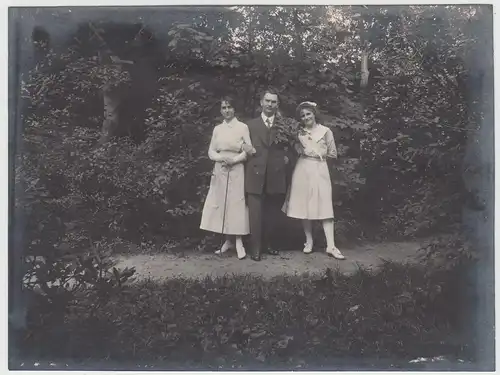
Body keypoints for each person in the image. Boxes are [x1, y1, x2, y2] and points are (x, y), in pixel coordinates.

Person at [282, 101, 346, 260]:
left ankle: (331, 245)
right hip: (303, 168)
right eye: (302, 115)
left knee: (324, 205)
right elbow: (293, 151)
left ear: (314, 113)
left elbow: (332, 153)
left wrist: (320, 158)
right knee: (304, 206)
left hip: (320, 168)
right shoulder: (298, 133)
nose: (306, 117)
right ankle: (308, 241)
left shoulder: (325, 131)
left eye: (308, 114)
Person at [200, 97, 255, 260]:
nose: (226, 110)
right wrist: (221, 159)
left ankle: (239, 242)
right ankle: (227, 241)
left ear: (234, 109)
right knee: (221, 203)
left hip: (237, 168)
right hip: (221, 168)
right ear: (220, 110)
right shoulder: (217, 129)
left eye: (229, 107)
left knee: (236, 203)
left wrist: (235, 160)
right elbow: (211, 151)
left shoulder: (242, 127)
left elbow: (248, 150)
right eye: (223, 107)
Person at [244, 89, 295, 262]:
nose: (270, 104)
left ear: (277, 105)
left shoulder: (285, 126)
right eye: (267, 101)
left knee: (272, 213)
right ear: (261, 102)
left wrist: (286, 159)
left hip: (276, 174)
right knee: (255, 214)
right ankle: (255, 248)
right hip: (255, 173)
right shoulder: (249, 125)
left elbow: (293, 147)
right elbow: (241, 146)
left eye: (273, 102)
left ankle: (269, 244)